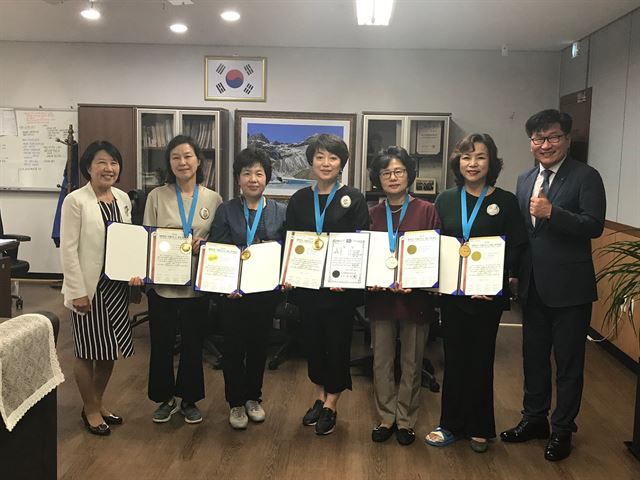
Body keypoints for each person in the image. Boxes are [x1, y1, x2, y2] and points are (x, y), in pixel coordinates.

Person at [500, 109, 606, 461]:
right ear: (530, 143)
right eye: (538, 139)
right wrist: (514, 272)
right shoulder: (524, 178)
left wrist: (553, 213)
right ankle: (534, 419)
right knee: (533, 358)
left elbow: (593, 225)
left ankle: (562, 429)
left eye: (553, 137)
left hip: (570, 289)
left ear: (566, 139)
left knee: (568, 363)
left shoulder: (586, 177)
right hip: (532, 286)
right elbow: (522, 233)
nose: (545, 145)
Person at [424, 133, 527, 453]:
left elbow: (516, 247)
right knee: (454, 360)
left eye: (480, 157)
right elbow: (436, 244)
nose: (473, 163)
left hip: (486, 296)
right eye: (467, 157)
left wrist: (494, 282)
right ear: (458, 162)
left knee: (481, 360)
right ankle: (450, 424)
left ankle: (481, 427)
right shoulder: (445, 199)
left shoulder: (506, 201)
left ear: (491, 162)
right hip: (453, 296)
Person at [285, 133, 369, 435]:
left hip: (339, 291)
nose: (326, 163)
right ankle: (319, 396)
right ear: (311, 161)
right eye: (319, 157)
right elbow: (290, 241)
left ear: (341, 164)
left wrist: (348, 279)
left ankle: (332, 402)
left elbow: (361, 244)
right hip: (309, 288)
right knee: (313, 343)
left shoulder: (354, 198)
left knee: (337, 344)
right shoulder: (299, 199)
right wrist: (289, 274)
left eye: (332, 157)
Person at [60, 140, 143, 436]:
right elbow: (68, 250)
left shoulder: (121, 198)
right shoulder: (76, 201)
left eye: (114, 163)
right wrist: (77, 290)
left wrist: (135, 273)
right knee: (86, 351)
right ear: (88, 167)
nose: (109, 168)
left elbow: (130, 240)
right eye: (102, 163)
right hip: (89, 289)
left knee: (109, 351)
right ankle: (90, 409)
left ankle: (97, 402)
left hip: (117, 286)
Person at [143, 134, 222, 425]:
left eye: (188, 156)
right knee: (161, 344)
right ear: (169, 163)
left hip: (196, 286)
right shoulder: (156, 196)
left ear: (198, 161)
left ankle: (189, 399)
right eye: (175, 157)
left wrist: (208, 245)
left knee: (193, 345)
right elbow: (147, 237)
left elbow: (219, 240)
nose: (182, 162)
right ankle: (164, 399)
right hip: (163, 286)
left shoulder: (212, 198)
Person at [366, 146, 440, 446]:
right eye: (386, 173)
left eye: (399, 171)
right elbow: (364, 256)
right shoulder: (371, 214)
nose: (393, 177)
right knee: (382, 360)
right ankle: (386, 416)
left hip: (416, 297)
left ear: (408, 174)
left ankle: (406, 420)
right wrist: (368, 279)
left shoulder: (427, 210)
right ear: (378, 179)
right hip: (381, 298)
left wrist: (420, 282)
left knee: (412, 360)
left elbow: (434, 256)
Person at [209, 146, 286, 430]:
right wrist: (225, 284)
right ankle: (236, 403)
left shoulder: (280, 211)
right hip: (233, 294)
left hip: (265, 294)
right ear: (238, 178)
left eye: (259, 173)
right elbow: (218, 250)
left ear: (267, 177)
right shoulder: (226, 210)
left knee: (258, 346)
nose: (253, 179)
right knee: (233, 348)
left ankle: (254, 397)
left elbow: (286, 252)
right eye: (246, 173)